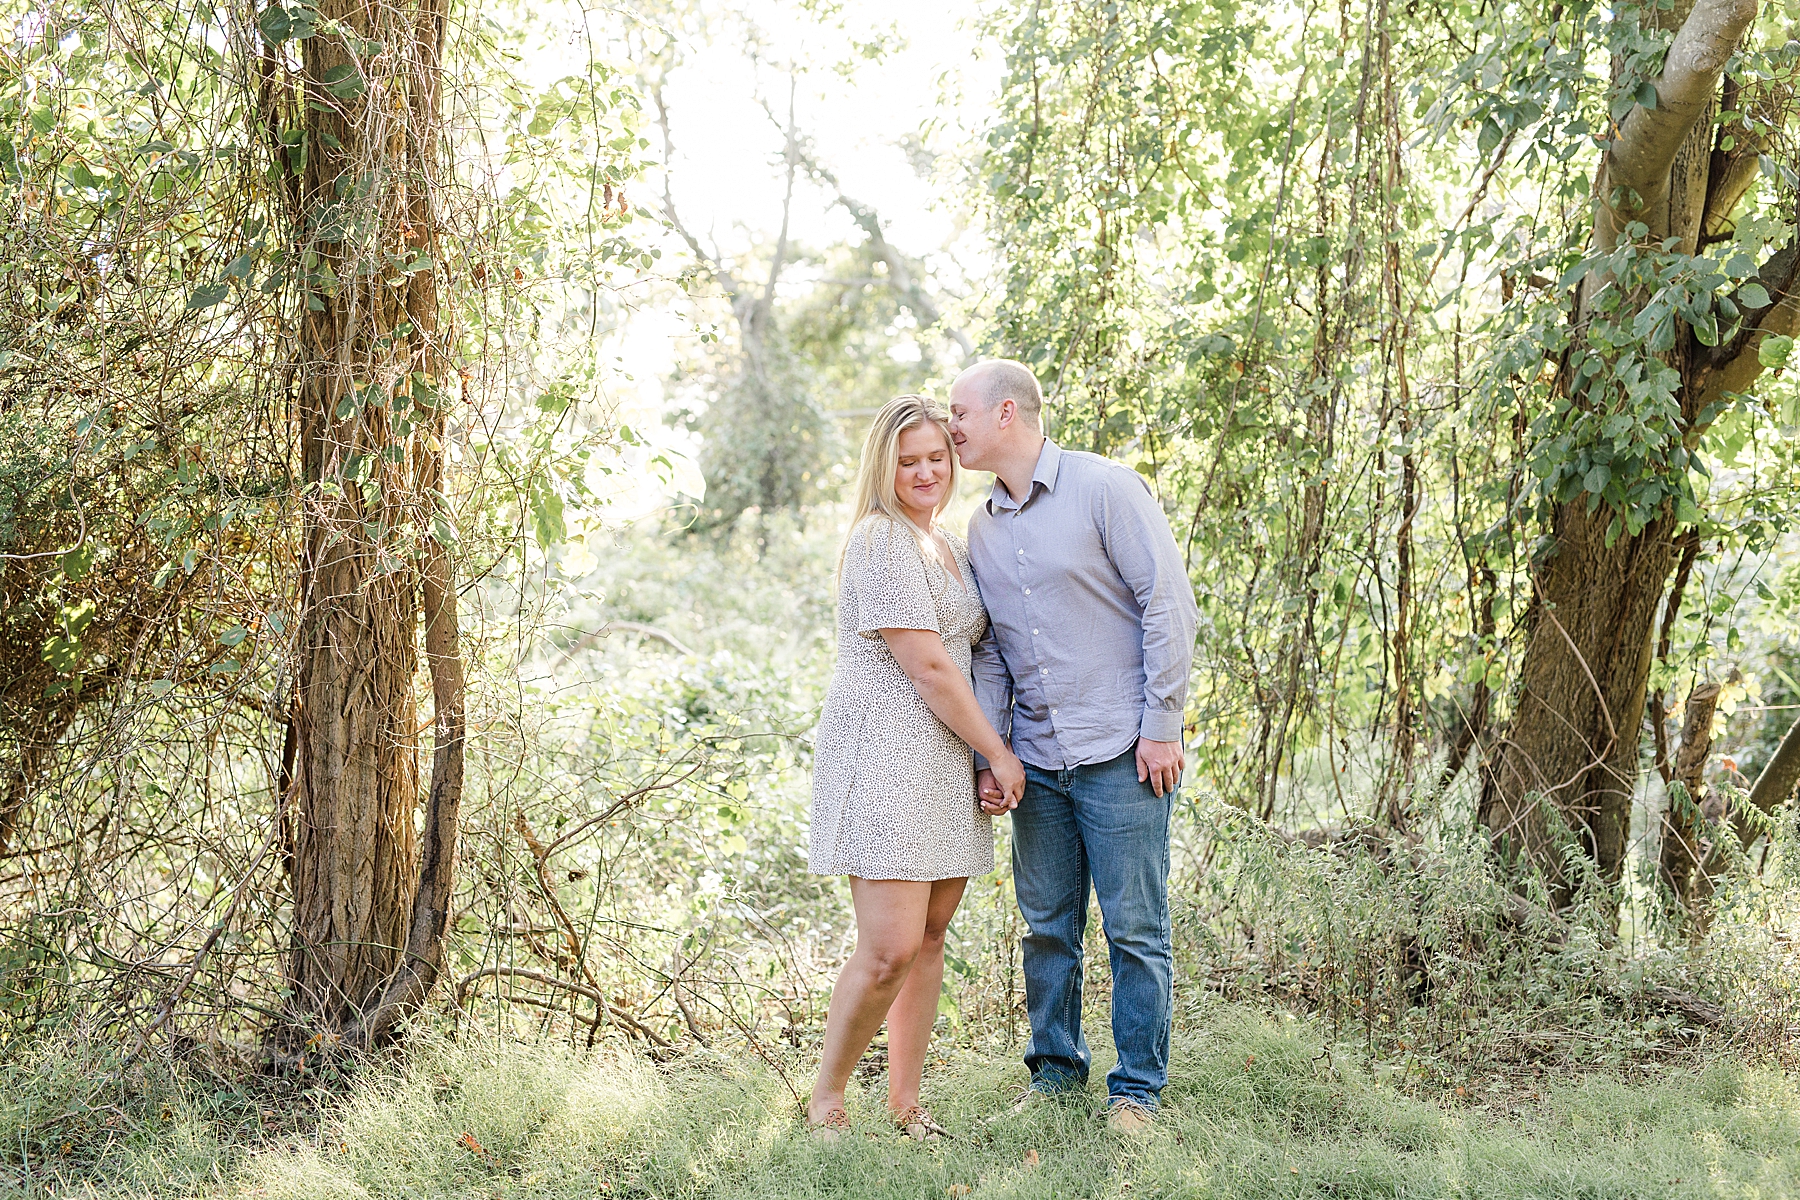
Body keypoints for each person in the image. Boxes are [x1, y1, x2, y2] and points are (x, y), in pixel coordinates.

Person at [947, 359, 1199, 1134]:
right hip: (1039, 763)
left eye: (959, 412)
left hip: (1124, 752)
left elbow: (1168, 602)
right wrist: (994, 754)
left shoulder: (1105, 488)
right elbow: (991, 656)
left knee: (1134, 929)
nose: (949, 426)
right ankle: (1055, 1076)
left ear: (1006, 413)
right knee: (1048, 926)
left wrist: (1162, 725)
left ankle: (1136, 1094)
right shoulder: (981, 528)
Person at [805, 394, 1028, 1142]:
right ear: (884, 466)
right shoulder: (881, 540)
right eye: (909, 460)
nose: (926, 471)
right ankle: (828, 1097)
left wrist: (978, 757)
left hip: (941, 759)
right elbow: (931, 667)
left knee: (930, 937)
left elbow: (973, 658)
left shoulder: (949, 546)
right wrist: (998, 752)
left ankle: (906, 1103)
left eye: (937, 456)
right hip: (887, 755)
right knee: (889, 946)